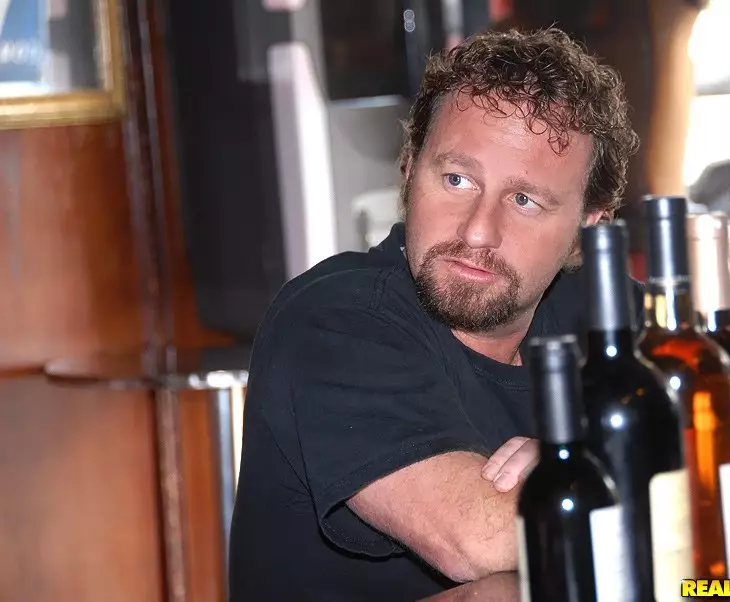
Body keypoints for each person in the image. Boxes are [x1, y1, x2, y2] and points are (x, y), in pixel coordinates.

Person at [228, 27, 640, 602]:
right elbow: (481, 538)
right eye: (456, 179)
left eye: (524, 200)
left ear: (585, 230)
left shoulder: (610, 317)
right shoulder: (334, 320)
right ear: (407, 170)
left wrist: (579, 468)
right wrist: (607, 464)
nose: (477, 231)